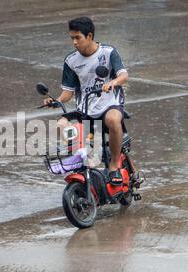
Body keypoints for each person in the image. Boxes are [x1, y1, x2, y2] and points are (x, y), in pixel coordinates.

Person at [43, 16, 129, 185]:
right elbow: (67, 93)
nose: (74, 42)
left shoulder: (108, 52)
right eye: (72, 38)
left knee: (113, 119)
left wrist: (113, 82)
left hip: (109, 104)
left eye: (78, 38)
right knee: (61, 124)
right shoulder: (71, 61)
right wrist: (55, 100)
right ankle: (83, 156)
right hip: (86, 109)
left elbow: (123, 76)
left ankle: (113, 167)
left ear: (89, 36)